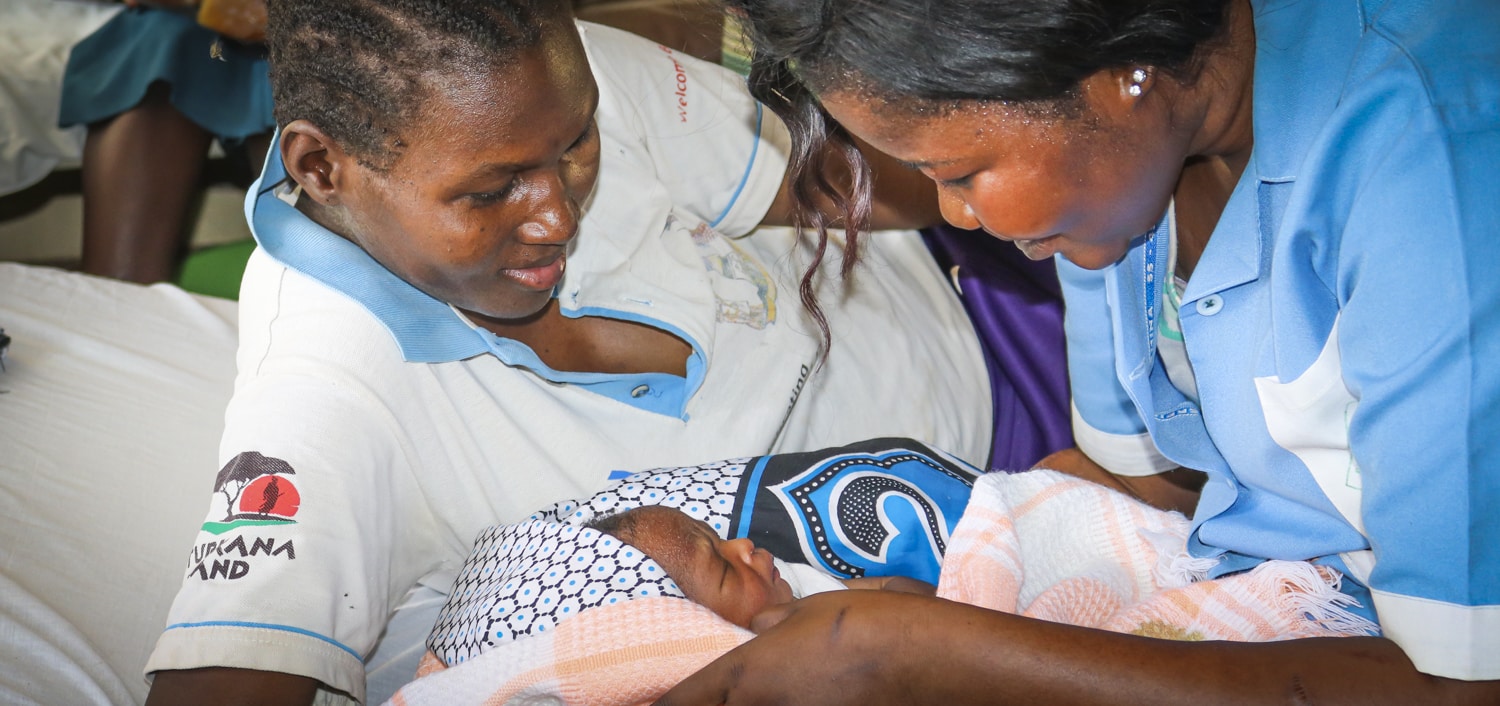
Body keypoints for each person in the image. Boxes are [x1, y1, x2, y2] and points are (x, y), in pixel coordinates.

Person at [140, 0, 1006, 703]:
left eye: (576, 149)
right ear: (321, 168)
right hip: (970, 530)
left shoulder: (544, 77)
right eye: (490, 192)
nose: (557, 216)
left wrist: (1004, 198)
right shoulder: (330, 395)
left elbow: (848, 186)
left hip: (993, 303)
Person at [653, 0, 1500, 703]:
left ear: (1122, 74)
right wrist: (887, 592)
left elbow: (1461, 681)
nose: (955, 217)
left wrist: (925, 648)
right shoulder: (1119, 182)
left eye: (961, 171)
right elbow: (1155, 479)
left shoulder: (1435, 169)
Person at [58, 0, 274, 284]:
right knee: (163, 46)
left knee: (308, 51)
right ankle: (118, 294)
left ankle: (315, 284)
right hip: (181, 23)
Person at [588, 505, 935, 628]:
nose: (742, 545)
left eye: (719, 537)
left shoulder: (793, 585)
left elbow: (884, 587)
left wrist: (910, 608)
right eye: (724, 569)